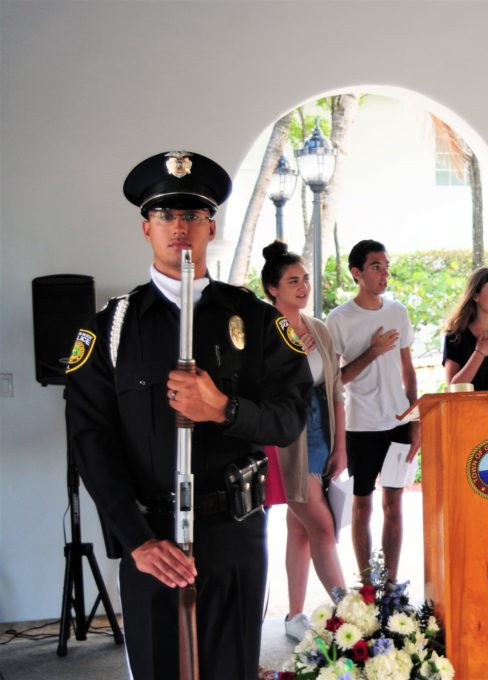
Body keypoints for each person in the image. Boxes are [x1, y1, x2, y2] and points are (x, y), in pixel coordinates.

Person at [65, 151, 312, 679]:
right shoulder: (109, 330)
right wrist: (136, 540)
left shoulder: (255, 319)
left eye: (193, 215)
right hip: (152, 537)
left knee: (232, 667)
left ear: (211, 228)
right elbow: (91, 441)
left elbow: (290, 417)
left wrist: (223, 408)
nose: (179, 227)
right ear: (146, 228)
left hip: (234, 532)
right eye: (165, 215)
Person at [260, 241, 348, 640]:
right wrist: (293, 356)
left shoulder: (318, 328)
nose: (303, 287)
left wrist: (340, 445)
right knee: (322, 527)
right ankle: (351, 614)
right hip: (284, 435)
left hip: (320, 427)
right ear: (272, 288)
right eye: (293, 281)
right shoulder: (263, 331)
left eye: (305, 279)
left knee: (300, 527)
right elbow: (260, 391)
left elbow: (336, 390)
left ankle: (294, 615)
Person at [325, 239, 420, 583]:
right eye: (376, 266)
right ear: (357, 273)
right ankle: (367, 585)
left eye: (386, 266)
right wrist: (372, 351)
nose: (384, 273)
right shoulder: (339, 319)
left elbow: (409, 371)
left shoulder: (398, 311)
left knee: (394, 504)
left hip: (398, 423)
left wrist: (414, 421)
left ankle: (391, 585)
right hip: (360, 427)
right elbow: (335, 379)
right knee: (362, 505)